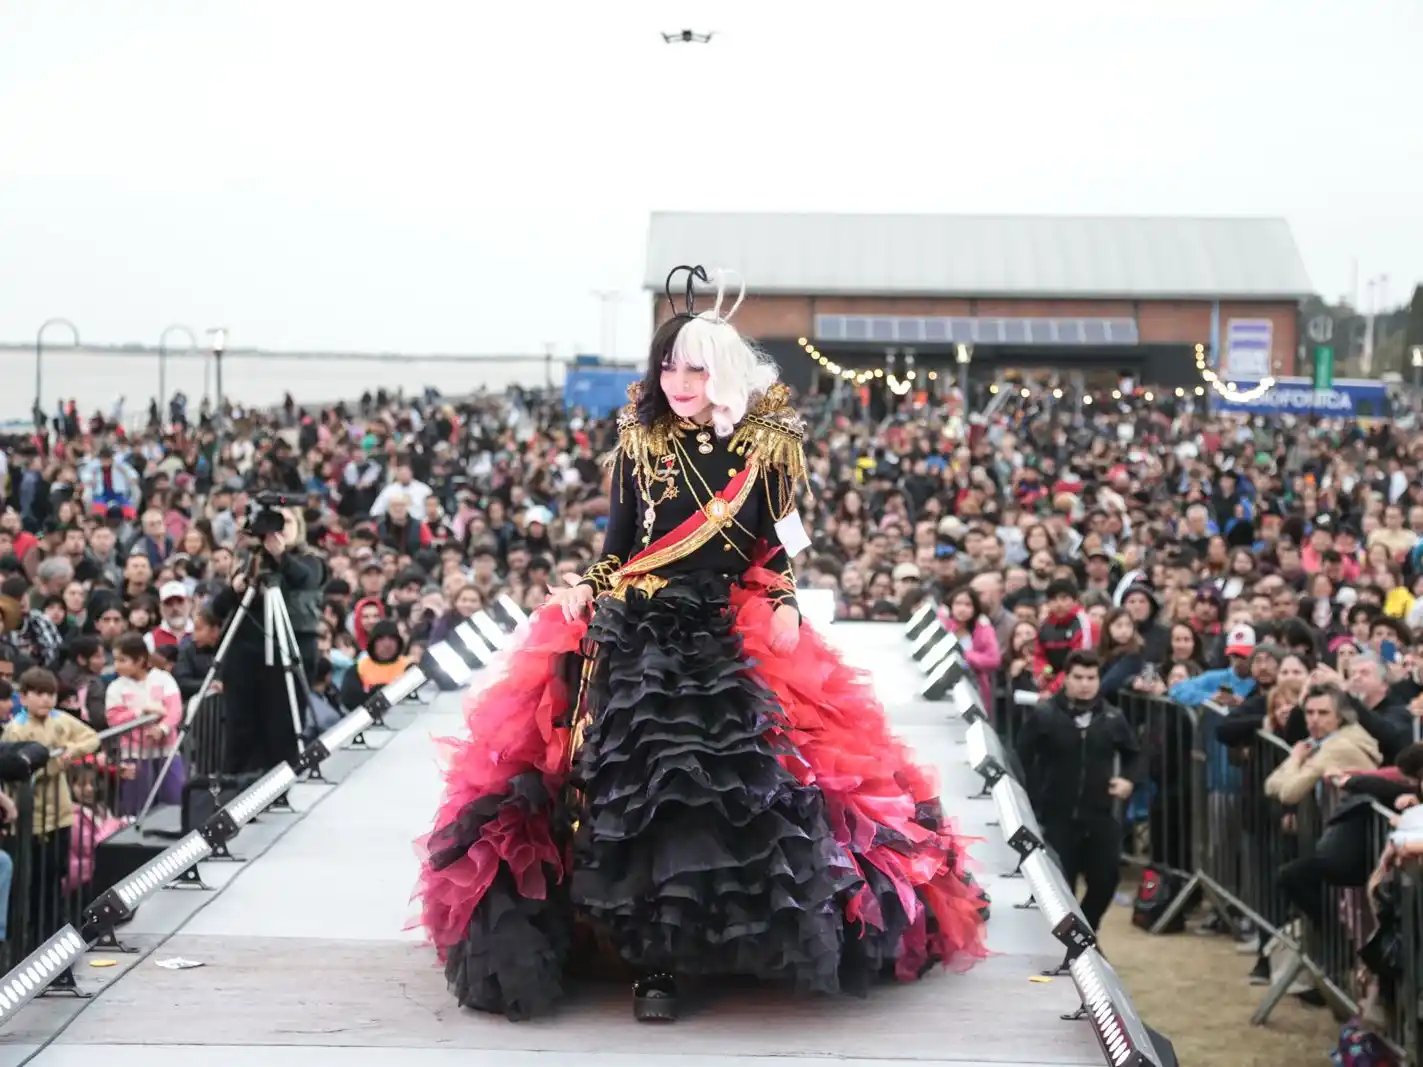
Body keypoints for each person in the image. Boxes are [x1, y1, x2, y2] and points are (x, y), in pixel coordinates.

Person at [413, 267, 988, 1023]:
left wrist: (784, 601)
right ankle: (647, 959)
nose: (678, 383)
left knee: (734, 793)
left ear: (723, 372)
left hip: (727, 629)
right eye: (667, 367)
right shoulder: (638, 441)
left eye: (693, 369)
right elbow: (618, 547)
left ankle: (712, 944)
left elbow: (777, 547)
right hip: (637, 633)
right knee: (633, 792)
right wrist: (586, 586)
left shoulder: (768, 447)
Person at [1014, 650, 1143, 939]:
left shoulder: (1112, 717)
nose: (1085, 684)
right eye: (1079, 677)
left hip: (1100, 813)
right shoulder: (1045, 715)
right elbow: (1021, 756)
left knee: (1106, 880)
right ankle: (1067, 942)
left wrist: (1128, 780)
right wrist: (1032, 797)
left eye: (1091, 678)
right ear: (1066, 679)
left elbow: (1134, 754)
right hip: (1057, 815)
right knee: (1061, 886)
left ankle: (1085, 932)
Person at [209, 508, 326, 775]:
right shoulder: (249, 563)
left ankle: (285, 778)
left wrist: (281, 556)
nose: (279, 529)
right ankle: (236, 782)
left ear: (299, 527)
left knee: (283, 724)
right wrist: (235, 588)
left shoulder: (310, 561)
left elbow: (305, 580)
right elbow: (217, 609)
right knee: (241, 725)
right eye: (273, 523)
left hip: (287, 651)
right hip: (246, 654)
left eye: (287, 522)